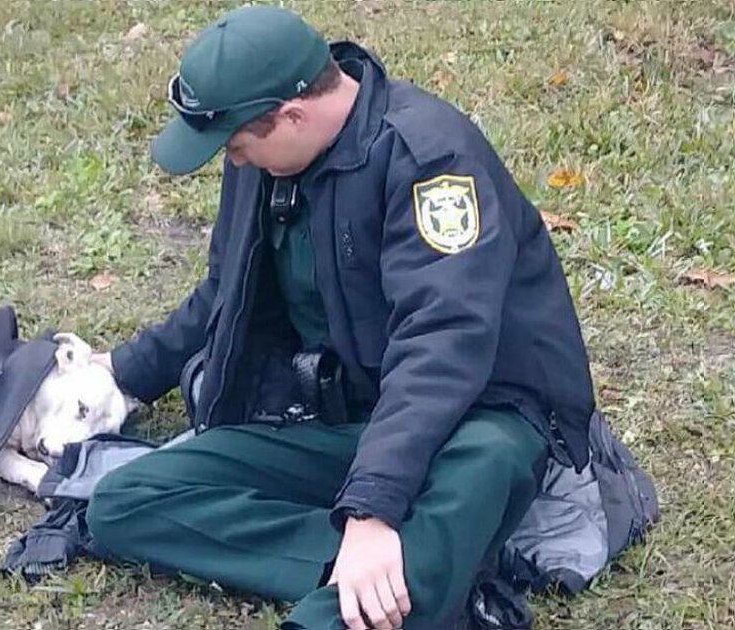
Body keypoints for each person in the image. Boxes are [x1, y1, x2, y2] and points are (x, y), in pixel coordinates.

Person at [84, 5, 597, 630]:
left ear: (290, 115)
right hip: (357, 418)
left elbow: (442, 346)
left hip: (481, 416)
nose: (235, 161)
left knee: (481, 464)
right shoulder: (267, 155)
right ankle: (386, 574)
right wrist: (125, 371)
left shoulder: (429, 159)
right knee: (123, 501)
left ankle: (358, 595)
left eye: (239, 145)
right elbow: (226, 290)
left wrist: (372, 509)